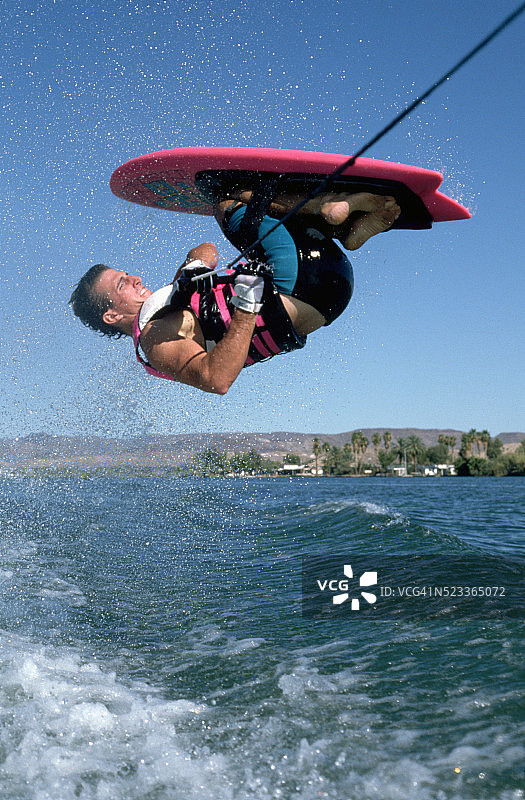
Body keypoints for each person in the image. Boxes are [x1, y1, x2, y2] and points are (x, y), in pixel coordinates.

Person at [69, 191, 400, 394]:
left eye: (127, 274)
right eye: (121, 284)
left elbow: (208, 250)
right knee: (227, 200)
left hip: (324, 291)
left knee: (259, 214)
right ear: (111, 315)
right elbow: (217, 379)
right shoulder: (155, 339)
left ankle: (349, 229)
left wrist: (190, 272)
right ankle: (327, 209)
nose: (135, 278)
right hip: (297, 281)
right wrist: (247, 305)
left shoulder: (170, 304)